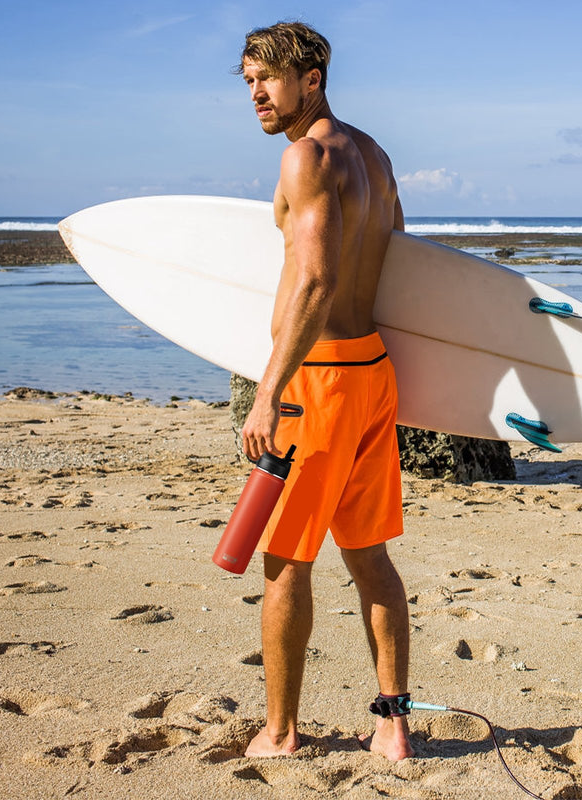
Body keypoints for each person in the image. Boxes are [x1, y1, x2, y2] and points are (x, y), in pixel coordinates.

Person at [235, 22, 414, 762]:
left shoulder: (304, 160)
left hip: (319, 383)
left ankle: (279, 734)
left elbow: (315, 279)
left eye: (267, 80)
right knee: (369, 556)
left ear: (312, 78)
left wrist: (267, 392)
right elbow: (404, 263)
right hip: (372, 373)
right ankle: (392, 725)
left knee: (285, 561)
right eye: (247, 82)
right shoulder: (372, 156)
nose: (255, 96)